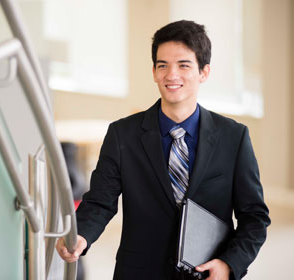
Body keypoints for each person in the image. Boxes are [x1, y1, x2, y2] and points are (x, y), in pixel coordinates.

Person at [56, 20, 270, 280]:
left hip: (205, 274)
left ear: (204, 72)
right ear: (155, 72)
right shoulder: (122, 134)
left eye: (183, 65)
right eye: (162, 65)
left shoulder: (234, 137)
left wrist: (228, 264)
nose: (171, 75)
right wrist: (81, 235)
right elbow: (100, 202)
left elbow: (254, 218)